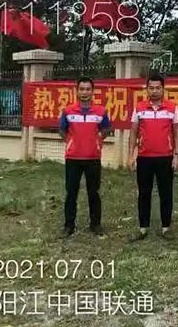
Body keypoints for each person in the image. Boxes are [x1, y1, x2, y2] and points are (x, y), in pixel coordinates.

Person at [128, 73, 178, 241]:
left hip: (165, 157)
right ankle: (143, 228)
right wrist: (131, 155)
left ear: (163, 89)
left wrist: (177, 155)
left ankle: (166, 228)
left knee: (166, 193)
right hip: (144, 157)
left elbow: (177, 133)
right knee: (144, 193)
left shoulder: (172, 108)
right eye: (151, 88)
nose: (154, 91)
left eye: (158, 88)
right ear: (147, 89)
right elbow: (133, 132)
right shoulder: (139, 108)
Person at [58, 76, 112, 238]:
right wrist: (71, 142)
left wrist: (97, 141)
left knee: (93, 192)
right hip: (73, 158)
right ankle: (69, 226)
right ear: (77, 91)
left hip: (93, 158)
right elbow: (62, 130)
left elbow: (106, 129)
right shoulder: (68, 111)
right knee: (71, 193)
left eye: (88, 89)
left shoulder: (100, 111)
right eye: (82, 89)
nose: (85, 92)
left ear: (92, 91)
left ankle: (95, 224)